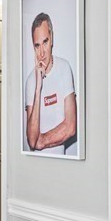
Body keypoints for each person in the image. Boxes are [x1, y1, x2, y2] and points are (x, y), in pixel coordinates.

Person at [25, 12, 77, 155]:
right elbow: (31, 140)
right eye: (37, 45)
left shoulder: (64, 68)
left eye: (45, 42)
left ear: (52, 38)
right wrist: (38, 87)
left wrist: (41, 141)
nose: (41, 53)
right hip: (35, 166)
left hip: (59, 165)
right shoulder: (30, 81)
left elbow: (71, 126)